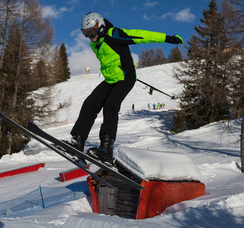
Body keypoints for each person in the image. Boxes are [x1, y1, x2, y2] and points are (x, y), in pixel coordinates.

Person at [66, 12, 183, 164]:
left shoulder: (114, 34)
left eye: (92, 31)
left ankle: (106, 149)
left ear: (100, 27)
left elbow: (142, 35)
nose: (90, 36)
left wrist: (168, 38)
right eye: (86, 33)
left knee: (110, 106)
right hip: (110, 79)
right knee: (90, 103)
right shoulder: (94, 43)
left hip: (125, 78)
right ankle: (78, 141)